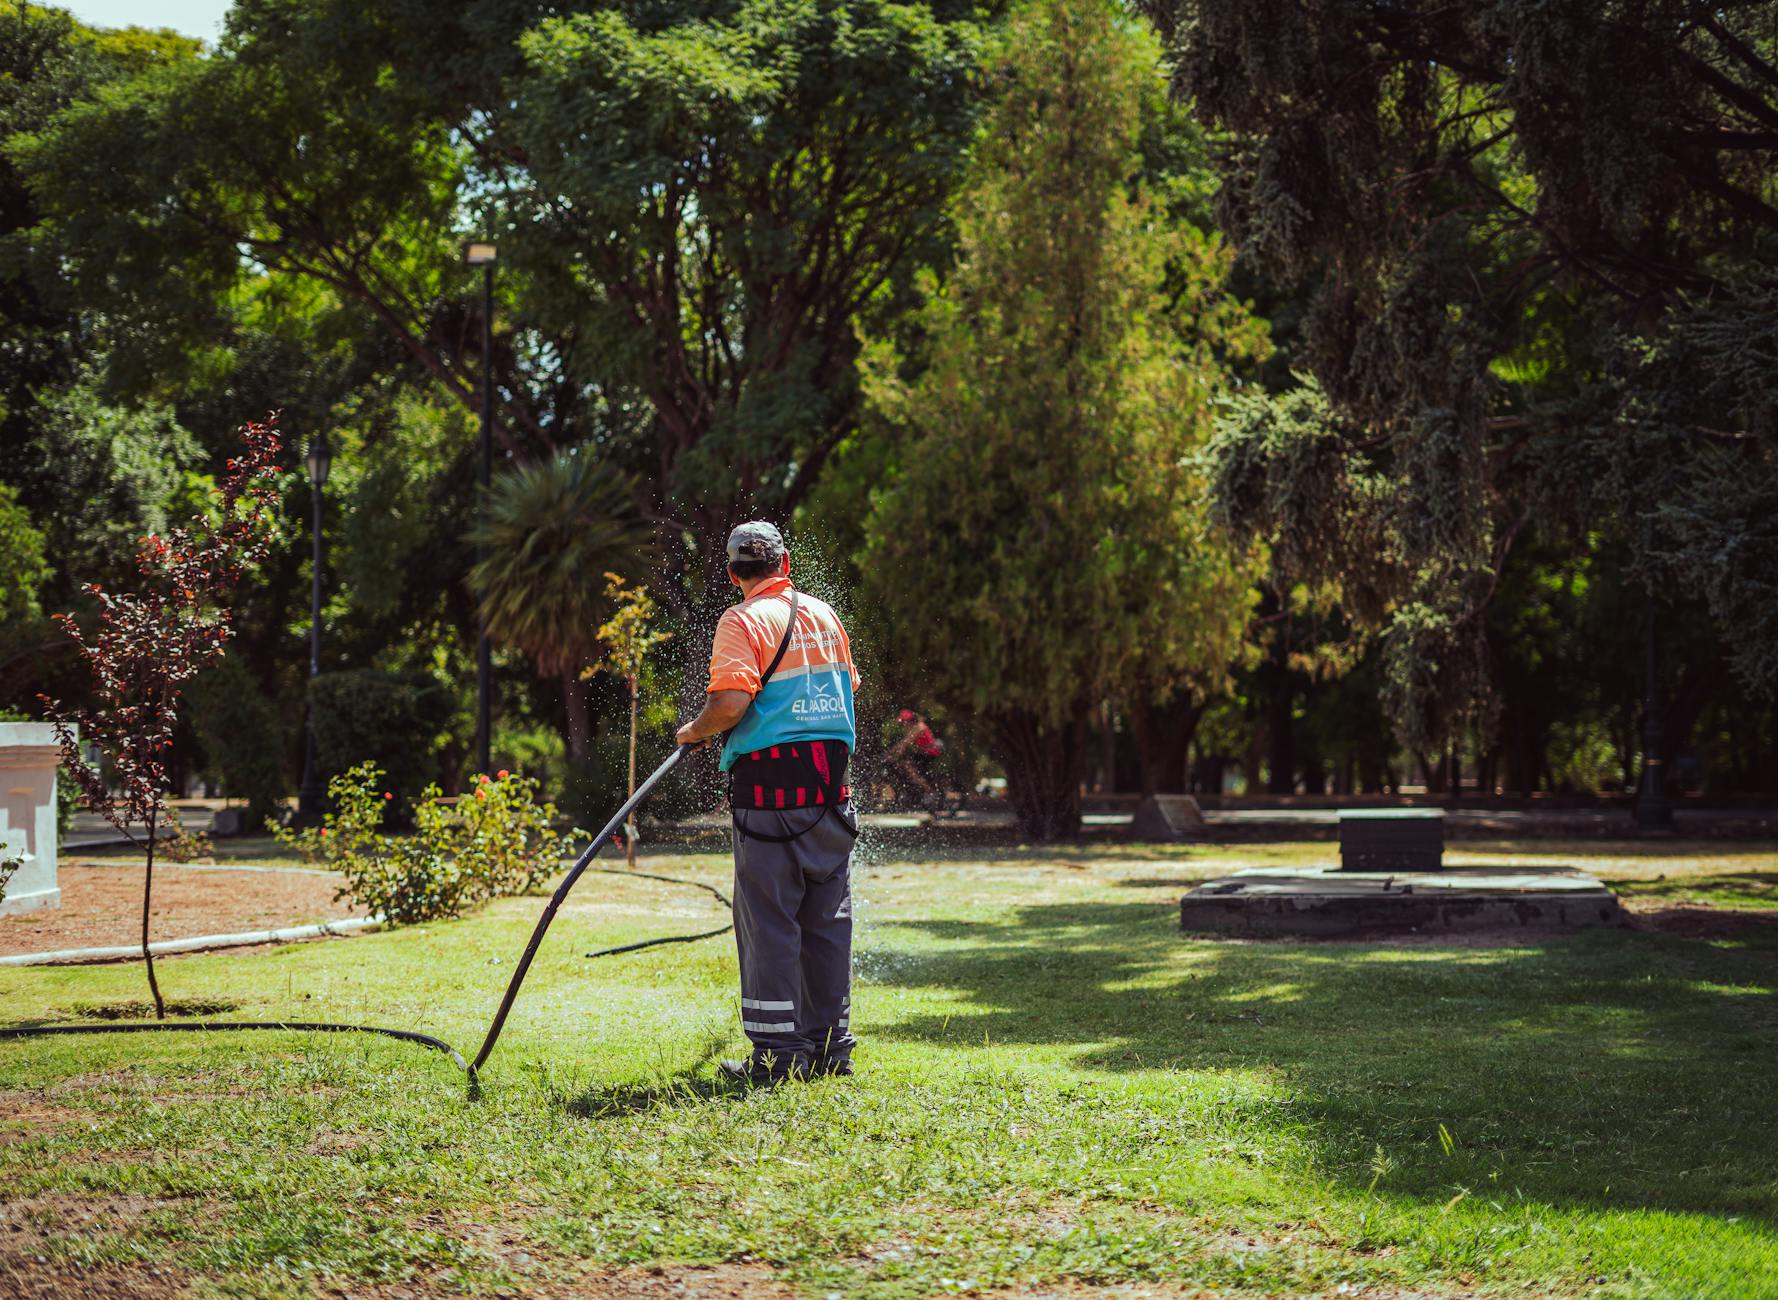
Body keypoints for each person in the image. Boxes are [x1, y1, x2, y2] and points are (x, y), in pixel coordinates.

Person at [675, 521, 861, 1083]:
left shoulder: (742, 619)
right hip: (833, 794)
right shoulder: (824, 615)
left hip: (769, 796)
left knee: (769, 920)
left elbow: (730, 702)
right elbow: (847, 687)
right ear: (785, 562)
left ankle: (779, 1057)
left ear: (735, 575)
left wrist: (695, 731)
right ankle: (831, 1049)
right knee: (828, 919)